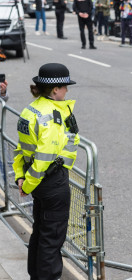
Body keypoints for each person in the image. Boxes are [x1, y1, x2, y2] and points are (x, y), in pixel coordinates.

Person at [13, 63, 80, 280]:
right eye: (64, 87)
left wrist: (21, 177)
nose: (67, 91)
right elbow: (43, 159)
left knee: (40, 234)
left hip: (39, 182)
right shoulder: (52, 117)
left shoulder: (30, 109)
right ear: (54, 90)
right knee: (52, 240)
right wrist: (29, 183)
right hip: (51, 182)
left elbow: (21, 150)